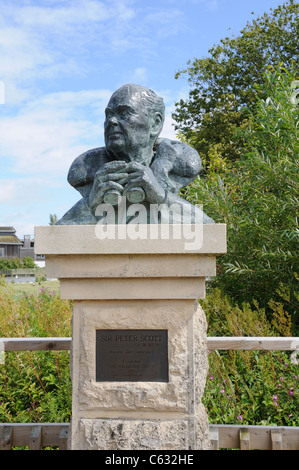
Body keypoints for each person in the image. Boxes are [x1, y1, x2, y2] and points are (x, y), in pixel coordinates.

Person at [57, 84, 214, 225]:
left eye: (124, 113)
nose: (111, 121)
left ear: (155, 123)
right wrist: (91, 202)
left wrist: (161, 196)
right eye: (108, 114)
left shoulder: (173, 163)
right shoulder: (89, 170)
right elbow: (58, 237)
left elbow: (208, 229)